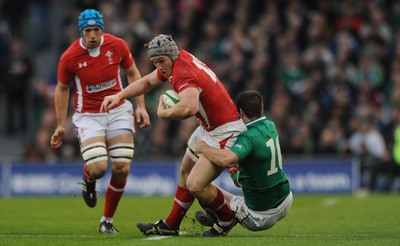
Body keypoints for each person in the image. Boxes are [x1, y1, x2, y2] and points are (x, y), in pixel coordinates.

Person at [100, 34, 246, 237]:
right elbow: (147, 82)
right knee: (185, 173)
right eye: (154, 62)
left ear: (170, 55)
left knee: (196, 184)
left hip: (225, 130)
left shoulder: (182, 72)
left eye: (160, 61)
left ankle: (226, 218)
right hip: (210, 127)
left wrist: (163, 113)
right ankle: (171, 224)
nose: (158, 66)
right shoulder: (177, 60)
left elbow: (190, 107)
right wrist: (118, 95)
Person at [50, 9, 150, 234]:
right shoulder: (70, 56)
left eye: (96, 30)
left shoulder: (117, 45)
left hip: (117, 109)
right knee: (98, 168)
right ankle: (88, 177)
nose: (93, 35)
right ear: (81, 32)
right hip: (89, 115)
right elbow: (62, 89)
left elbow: (134, 74)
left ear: (102, 29)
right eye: (88, 31)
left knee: (122, 166)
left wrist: (141, 106)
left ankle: (107, 220)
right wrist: (59, 125)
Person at [194, 90, 293, 232]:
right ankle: (217, 216)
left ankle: (222, 220)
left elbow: (228, 159)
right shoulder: (270, 125)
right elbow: (240, 180)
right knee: (248, 176)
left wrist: (204, 148)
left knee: (201, 188)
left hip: (259, 215)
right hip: (286, 200)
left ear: (240, 111)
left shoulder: (248, 137)